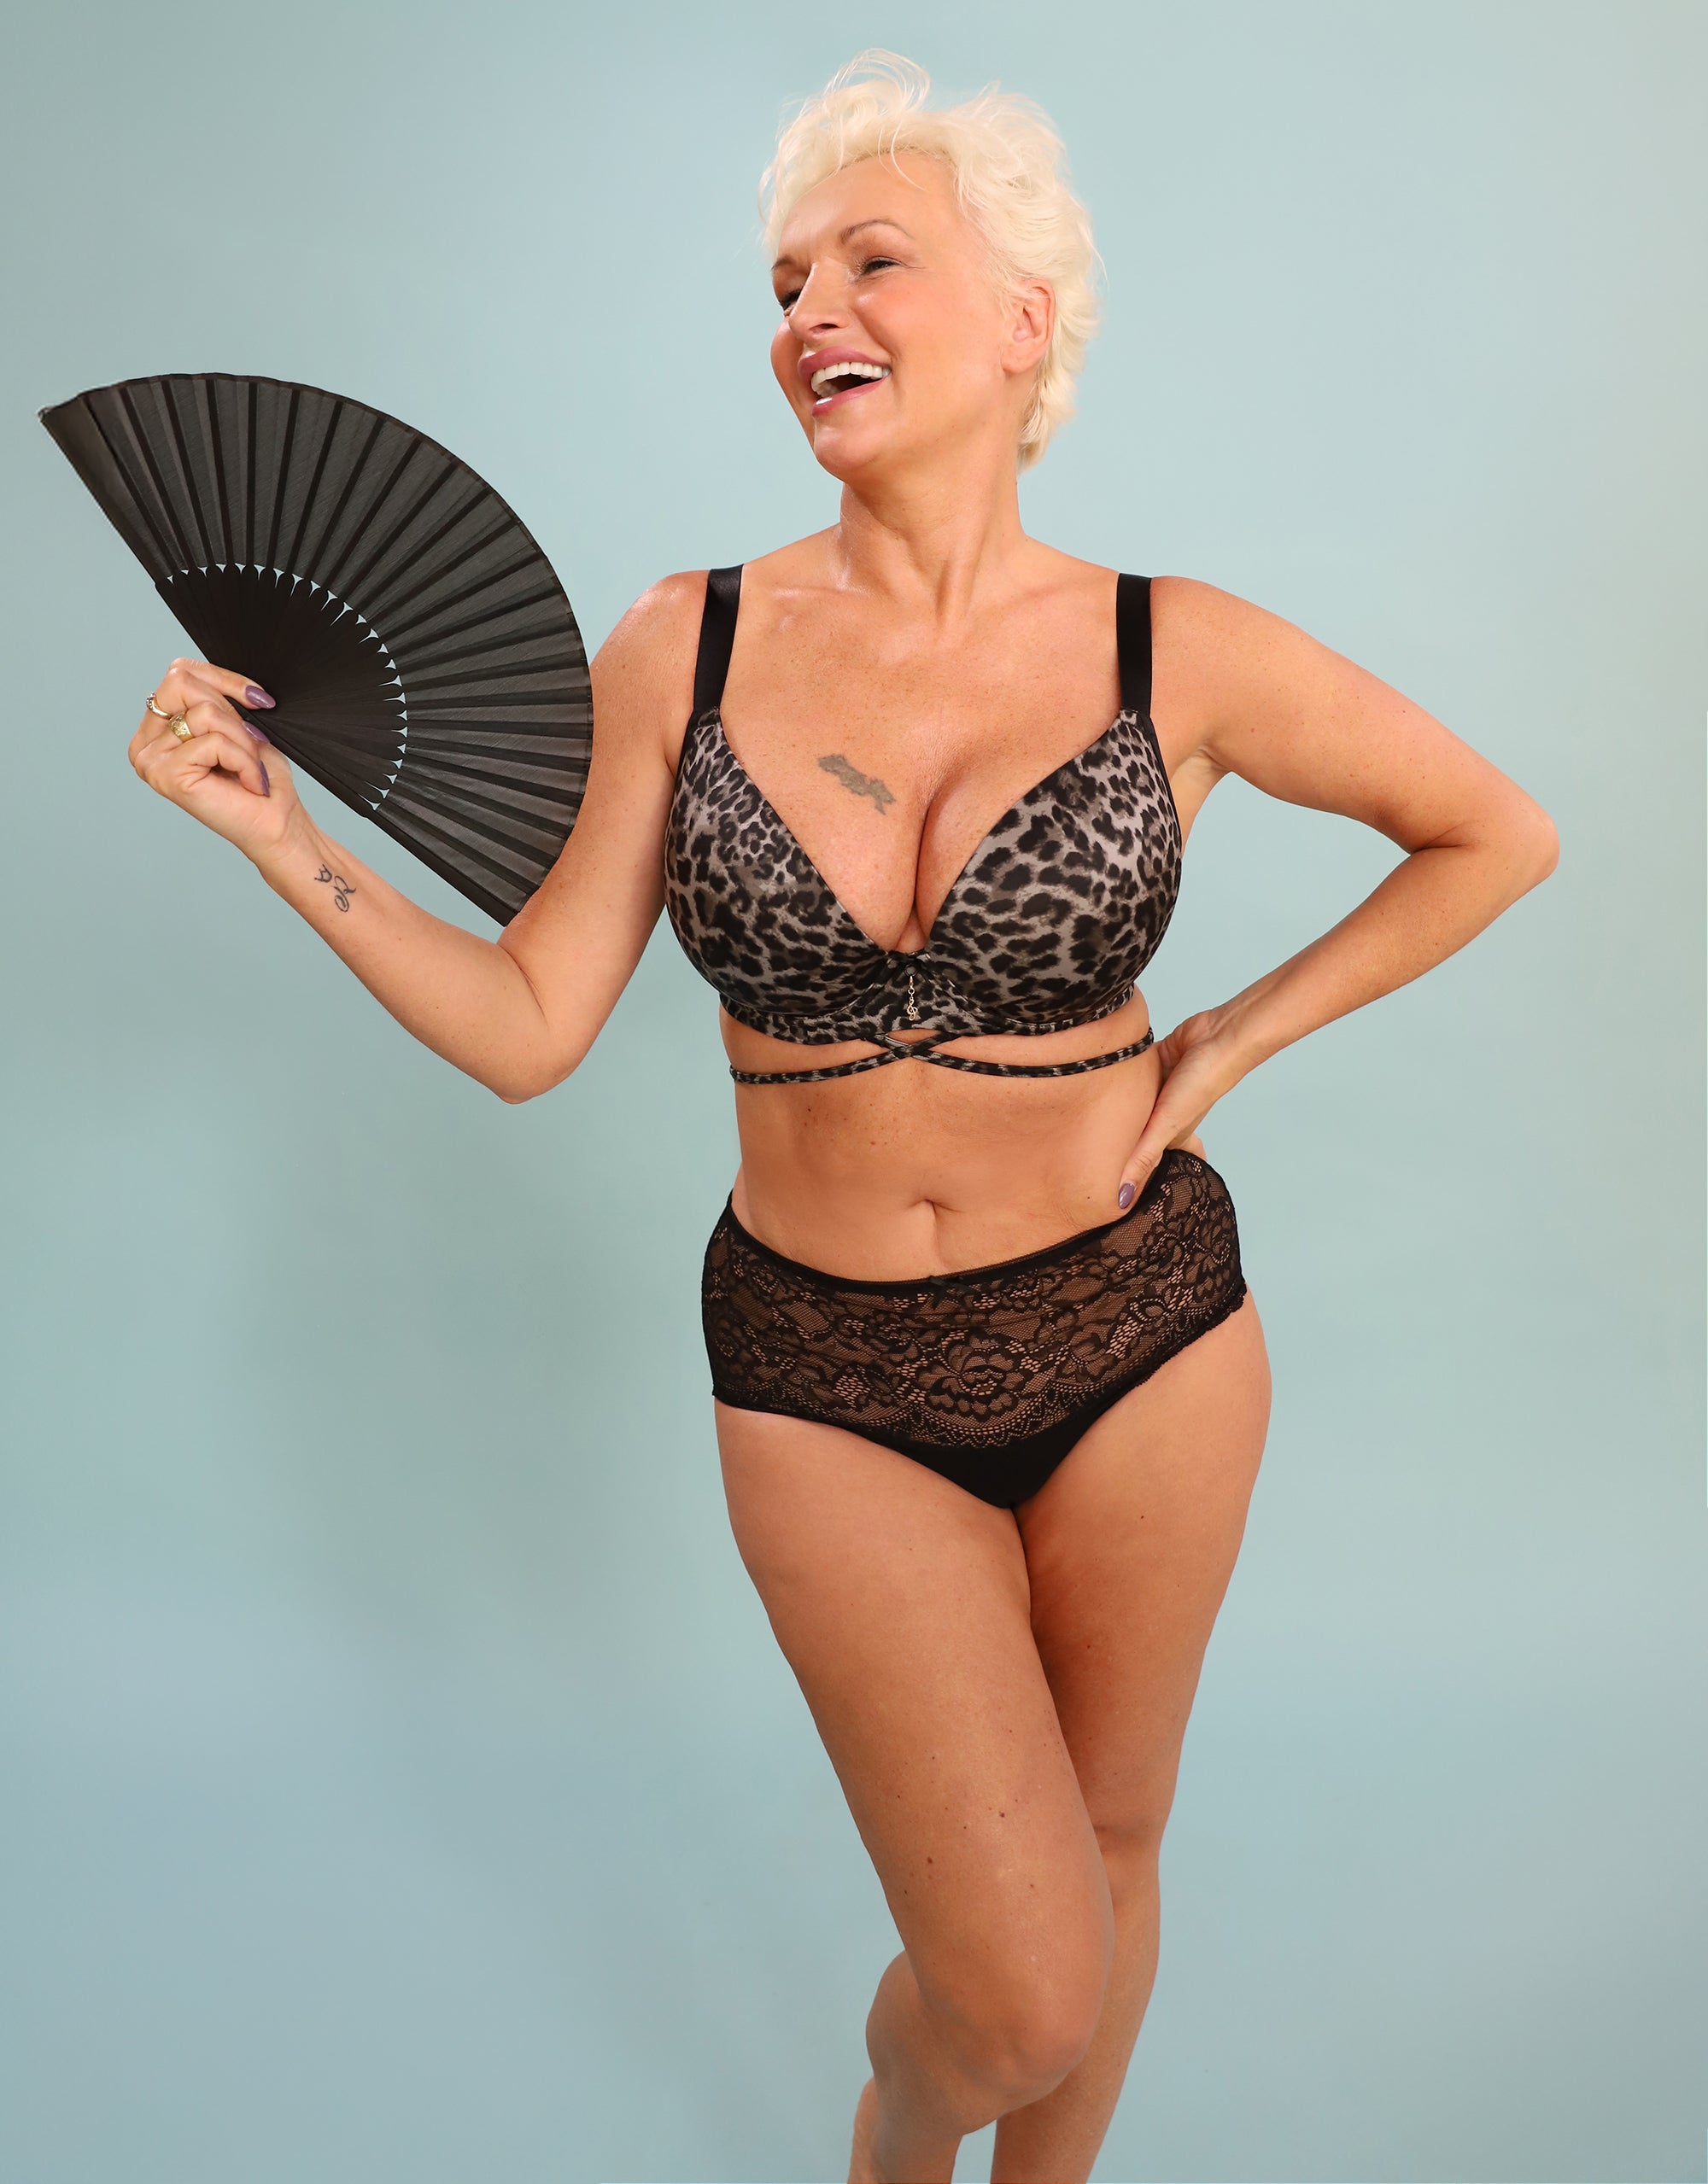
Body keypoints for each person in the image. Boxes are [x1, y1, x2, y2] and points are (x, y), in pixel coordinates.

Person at [125, 49, 1559, 2184]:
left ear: (1021, 320)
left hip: (1146, 1332)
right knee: (1015, 1983)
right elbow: (530, 1025)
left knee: (1115, 1841)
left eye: (870, 261)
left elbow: (1493, 832)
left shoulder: (1173, 648)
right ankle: (893, 2151)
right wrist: (282, 841)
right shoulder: (683, 646)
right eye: (786, 283)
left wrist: (1228, 1044)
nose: (811, 310)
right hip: (824, 1368)